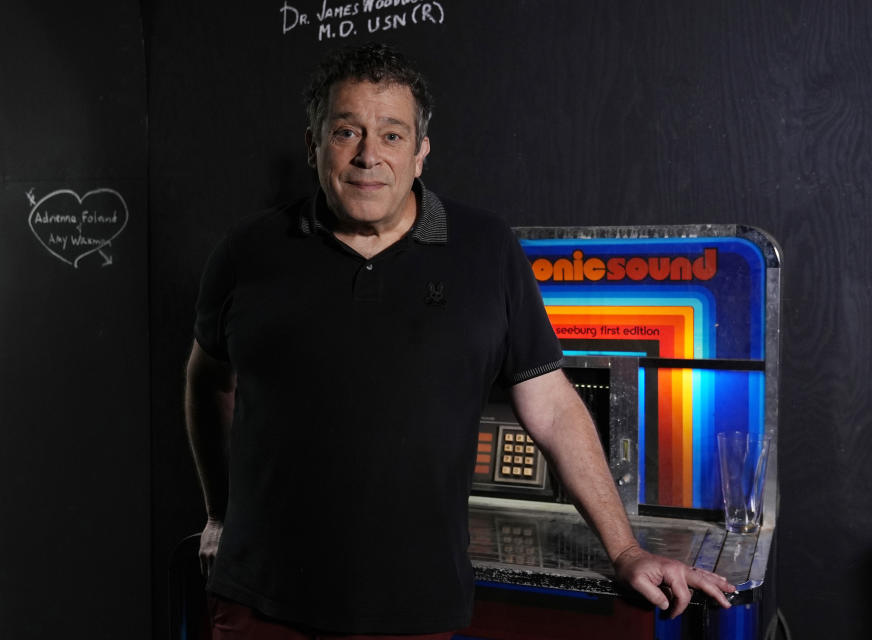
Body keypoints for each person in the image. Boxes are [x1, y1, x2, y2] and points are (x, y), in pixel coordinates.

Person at [185, 42, 735, 640]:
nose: (369, 155)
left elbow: (551, 407)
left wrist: (626, 551)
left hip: (415, 609)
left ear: (420, 152)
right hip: (259, 605)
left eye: (392, 135)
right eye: (347, 132)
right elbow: (208, 379)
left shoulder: (487, 249)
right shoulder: (246, 253)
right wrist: (219, 511)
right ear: (315, 144)